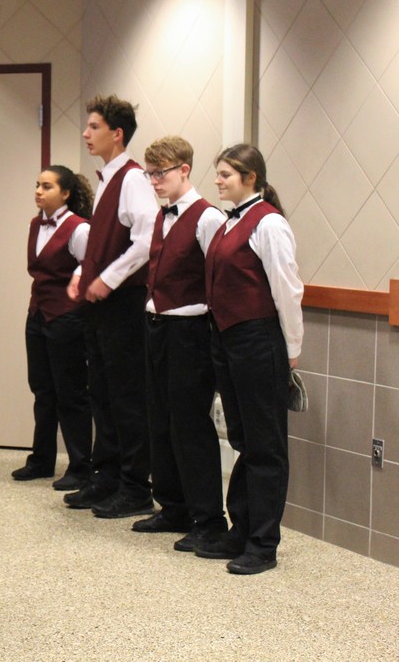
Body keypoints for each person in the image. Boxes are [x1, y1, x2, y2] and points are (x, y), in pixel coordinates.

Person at [196, 144, 303, 575]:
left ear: (250, 178)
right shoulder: (227, 223)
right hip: (227, 339)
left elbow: (287, 290)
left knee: (266, 445)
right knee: (242, 439)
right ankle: (241, 529)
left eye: (226, 174)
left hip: (259, 340)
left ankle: (263, 543)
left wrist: (291, 350)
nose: (218, 180)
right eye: (218, 174)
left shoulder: (269, 223)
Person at [133, 136, 228, 552]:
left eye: (161, 173)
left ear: (184, 170)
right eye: (149, 174)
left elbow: (218, 281)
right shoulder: (161, 215)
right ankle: (173, 506)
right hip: (156, 325)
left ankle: (208, 519)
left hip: (190, 331)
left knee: (190, 425)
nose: (154, 181)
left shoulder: (207, 218)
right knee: (160, 419)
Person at [64, 95, 156, 519]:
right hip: (100, 302)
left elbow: (145, 240)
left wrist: (107, 278)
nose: (86, 133)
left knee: (125, 396)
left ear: (116, 134)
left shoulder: (134, 179)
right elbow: (104, 243)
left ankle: (135, 486)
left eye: (94, 126)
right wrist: (85, 272)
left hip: (123, 303)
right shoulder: (105, 180)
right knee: (100, 391)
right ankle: (107, 477)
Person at [10, 166, 94, 491]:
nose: (39, 191)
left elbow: (89, 268)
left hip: (67, 318)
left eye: (47, 186)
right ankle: (41, 459)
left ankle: (80, 467)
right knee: (42, 389)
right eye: (37, 185)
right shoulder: (35, 224)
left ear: (66, 193)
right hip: (37, 314)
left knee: (71, 393)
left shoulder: (79, 228)